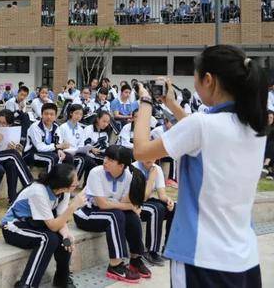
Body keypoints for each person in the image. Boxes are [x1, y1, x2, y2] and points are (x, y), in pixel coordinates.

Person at [133, 45, 267, 286]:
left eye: (195, 75)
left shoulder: (203, 126)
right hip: (244, 257)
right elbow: (201, 133)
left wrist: (145, 101)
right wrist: (172, 104)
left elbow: (141, 151)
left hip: (201, 257)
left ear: (208, 80)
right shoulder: (255, 128)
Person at [1, 164, 86, 288]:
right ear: (63, 185)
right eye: (75, 182)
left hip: (34, 224)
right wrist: (73, 207)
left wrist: (66, 234)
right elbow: (52, 226)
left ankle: (62, 280)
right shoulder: (38, 191)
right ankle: (27, 284)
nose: (77, 184)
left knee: (63, 239)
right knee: (47, 239)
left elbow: (60, 218)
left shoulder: (63, 192)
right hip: (13, 227)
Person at [73, 145, 150, 282]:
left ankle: (135, 259)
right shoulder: (96, 172)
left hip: (109, 213)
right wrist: (130, 206)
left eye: (110, 159)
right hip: (87, 213)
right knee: (115, 215)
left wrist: (130, 207)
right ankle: (115, 265)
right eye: (106, 157)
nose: (105, 161)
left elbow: (125, 204)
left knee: (131, 217)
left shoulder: (129, 176)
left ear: (121, 165)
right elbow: (103, 204)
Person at [132, 158, 175, 266]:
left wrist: (168, 200)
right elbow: (142, 198)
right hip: (133, 203)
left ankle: (169, 247)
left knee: (174, 207)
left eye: (153, 156)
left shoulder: (157, 169)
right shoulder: (133, 168)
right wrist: (151, 178)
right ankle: (151, 251)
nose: (150, 158)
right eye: (147, 155)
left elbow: (161, 195)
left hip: (145, 201)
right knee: (156, 209)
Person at [0, 109, 33, 204]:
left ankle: (12, 198)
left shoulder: (10, 132)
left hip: (5, 157)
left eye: (4, 123)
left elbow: (8, 151)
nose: (1, 125)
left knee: (11, 163)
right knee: (12, 155)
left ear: (9, 125)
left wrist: (16, 148)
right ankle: (29, 183)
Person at [24, 103, 72, 173]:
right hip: (32, 154)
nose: (49, 117)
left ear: (55, 116)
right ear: (41, 115)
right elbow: (39, 148)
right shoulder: (35, 127)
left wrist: (59, 150)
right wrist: (57, 146)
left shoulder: (56, 127)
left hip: (49, 152)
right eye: (46, 114)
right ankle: (50, 183)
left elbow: (58, 143)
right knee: (53, 158)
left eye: (52, 114)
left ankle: (66, 182)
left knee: (68, 157)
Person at [75, 110, 111, 182]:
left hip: (98, 154)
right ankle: (86, 185)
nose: (106, 124)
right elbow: (83, 143)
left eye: (107, 122)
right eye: (104, 121)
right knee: (93, 163)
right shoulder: (89, 129)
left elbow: (106, 146)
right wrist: (92, 148)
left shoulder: (105, 132)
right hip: (87, 153)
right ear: (98, 119)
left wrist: (103, 150)